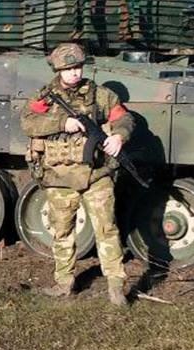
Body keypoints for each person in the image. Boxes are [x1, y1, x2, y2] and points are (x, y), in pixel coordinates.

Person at [21, 42, 136, 307]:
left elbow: (125, 118)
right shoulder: (45, 97)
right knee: (62, 232)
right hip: (59, 176)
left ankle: (116, 286)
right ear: (59, 69)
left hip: (96, 175)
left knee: (107, 229)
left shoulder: (101, 95)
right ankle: (64, 283)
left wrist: (119, 136)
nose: (74, 73)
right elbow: (28, 122)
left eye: (78, 67)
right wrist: (62, 123)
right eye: (68, 68)